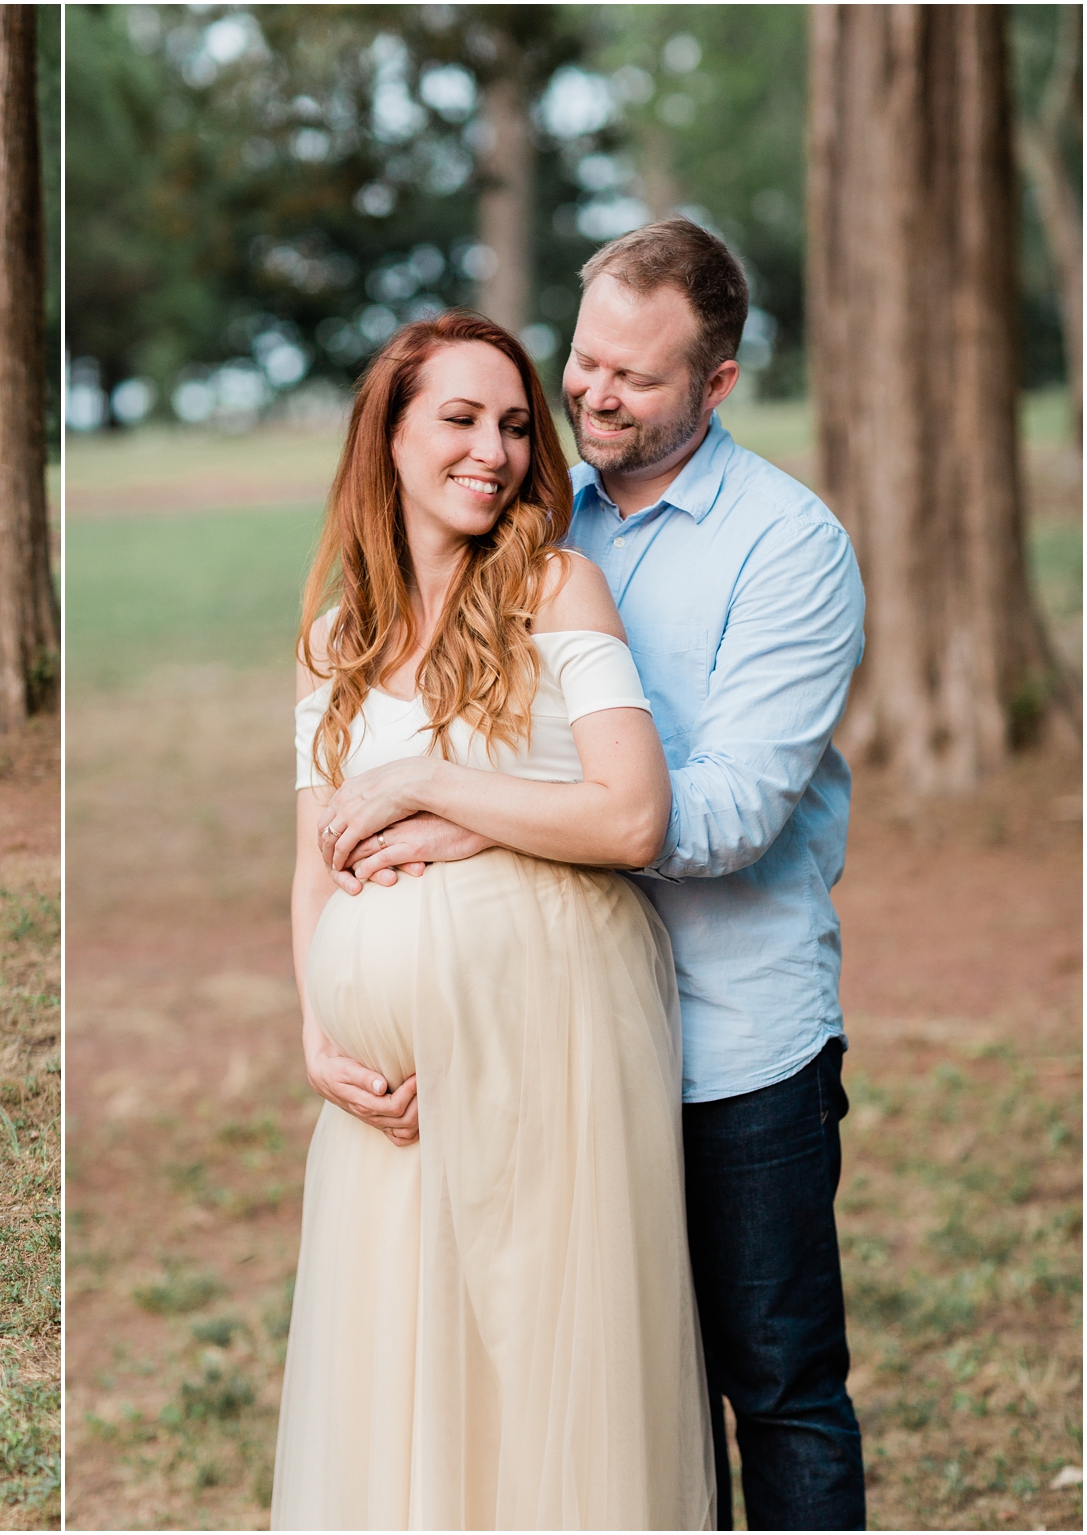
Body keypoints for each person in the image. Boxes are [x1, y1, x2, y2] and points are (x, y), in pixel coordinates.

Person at [330, 220, 868, 1530]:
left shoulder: (790, 547)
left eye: (637, 375)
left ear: (719, 384)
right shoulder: (524, 513)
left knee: (777, 1381)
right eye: (583, 361)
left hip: (731, 1034)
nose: (593, 395)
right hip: (542, 1042)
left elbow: (727, 812)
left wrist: (483, 816)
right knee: (606, 1388)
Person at [272, 309, 715, 1529]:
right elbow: (314, 858)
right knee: (399, 1364)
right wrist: (317, 1031)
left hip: (551, 1035)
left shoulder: (555, 588)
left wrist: (433, 788)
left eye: (516, 424)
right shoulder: (334, 638)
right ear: (390, 435)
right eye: (459, 419)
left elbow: (629, 815)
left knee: (538, 1354)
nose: (496, 450)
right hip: (387, 1089)